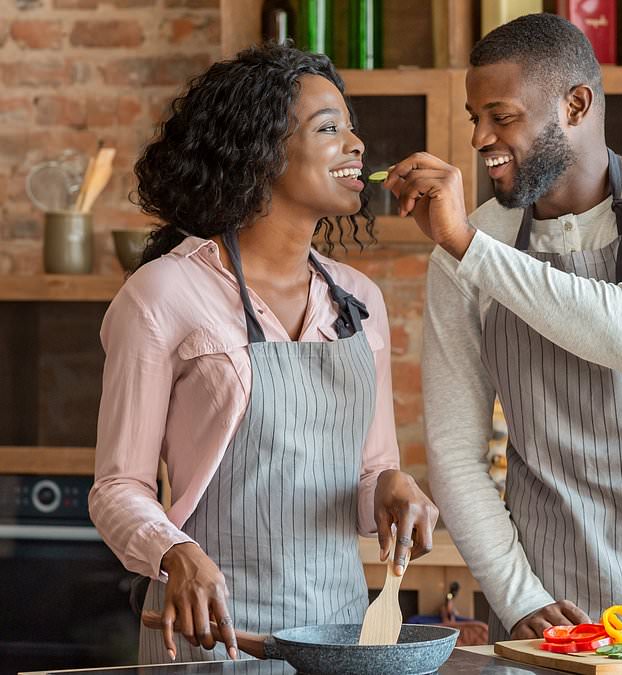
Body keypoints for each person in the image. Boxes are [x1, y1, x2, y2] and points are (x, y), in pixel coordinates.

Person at [381, 14, 622, 641]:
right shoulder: (471, 246)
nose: (479, 137)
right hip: (558, 604)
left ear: (576, 104)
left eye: (501, 116)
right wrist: (518, 597)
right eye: (473, 117)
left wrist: (468, 246)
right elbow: (454, 452)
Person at [89, 44, 438, 663]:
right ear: (260, 151)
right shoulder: (164, 294)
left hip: (341, 635)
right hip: (215, 633)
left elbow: (366, 476)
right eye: (329, 128)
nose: (357, 144)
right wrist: (174, 552)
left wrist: (392, 486)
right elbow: (118, 488)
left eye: (350, 127)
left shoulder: (358, 300)